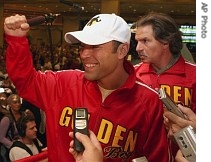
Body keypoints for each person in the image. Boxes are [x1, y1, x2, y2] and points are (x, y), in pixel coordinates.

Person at [4, 13, 170, 161]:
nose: (84, 54)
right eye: (82, 46)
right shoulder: (64, 83)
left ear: (122, 51)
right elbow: (26, 81)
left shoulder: (148, 102)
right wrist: (17, 40)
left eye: (95, 46)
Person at [133, 12, 196, 159]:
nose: (138, 48)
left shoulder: (197, 76)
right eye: (137, 41)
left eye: (145, 41)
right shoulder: (132, 76)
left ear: (165, 42)